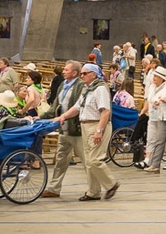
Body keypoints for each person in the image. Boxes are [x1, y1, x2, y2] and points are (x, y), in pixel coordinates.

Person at [54, 63, 120, 201]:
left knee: (93, 160)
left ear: (93, 75)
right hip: (85, 126)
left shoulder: (100, 88)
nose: (81, 76)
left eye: (84, 73)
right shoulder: (87, 89)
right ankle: (93, 191)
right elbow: (77, 107)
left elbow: (105, 111)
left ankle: (111, 184)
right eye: (81, 73)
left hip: (97, 125)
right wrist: (63, 116)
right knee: (89, 162)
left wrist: (98, 130)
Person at [40, 60, 87, 198]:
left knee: (87, 162)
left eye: (66, 70)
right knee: (61, 160)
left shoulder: (80, 86)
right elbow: (55, 106)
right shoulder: (63, 85)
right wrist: (41, 117)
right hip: (64, 129)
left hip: (76, 130)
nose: (63, 71)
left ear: (74, 72)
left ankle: (96, 188)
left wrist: (65, 116)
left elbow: (78, 108)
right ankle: (54, 188)